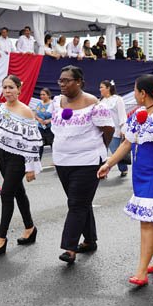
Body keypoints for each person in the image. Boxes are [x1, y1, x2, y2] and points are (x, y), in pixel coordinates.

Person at [98, 75, 153, 286]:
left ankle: (141, 272)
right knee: (152, 218)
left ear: (143, 93)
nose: (135, 94)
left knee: (147, 221)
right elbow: (127, 144)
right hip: (140, 174)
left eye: (136, 90)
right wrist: (109, 163)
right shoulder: (137, 114)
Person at [50, 65, 114, 264]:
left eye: (67, 80)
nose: (62, 84)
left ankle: (69, 248)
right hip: (62, 161)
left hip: (87, 162)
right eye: (60, 80)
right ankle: (90, 240)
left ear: (79, 82)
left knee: (76, 204)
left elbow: (108, 129)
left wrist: (100, 149)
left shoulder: (93, 103)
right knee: (81, 201)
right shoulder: (57, 102)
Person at [0, 75, 43, 256]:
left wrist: (30, 167)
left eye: (11, 87)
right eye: (5, 87)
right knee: (18, 192)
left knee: (7, 193)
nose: (7, 91)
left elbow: (32, 142)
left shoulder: (26, 111)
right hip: (2, 156)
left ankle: (1, 238)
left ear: (19, 89)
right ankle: (30, 228)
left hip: (18, 158)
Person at [99, 80, 129, 177]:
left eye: (102, 87)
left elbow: (122, 115)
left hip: (115, 131)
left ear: (108, 88)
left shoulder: (117, 99)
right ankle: (103, 171)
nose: (100, 89)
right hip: (102, 131)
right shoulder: (101, 101)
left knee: (116, 152)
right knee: (102, 152)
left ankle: (123, 168)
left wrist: (123, 129)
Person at [34, 88, 54, 160]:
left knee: (53, 145)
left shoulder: (53, 104)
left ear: (48, 95)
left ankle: (56, 161)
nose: (42, 96)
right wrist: (38, 119)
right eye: (41, 95)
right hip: (40, 128)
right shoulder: (39, 104)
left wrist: (49, 120)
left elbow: (57, 115)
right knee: (40, 145)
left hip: (50, 128)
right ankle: (38, 162)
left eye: (43, 94)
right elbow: (35, 114)